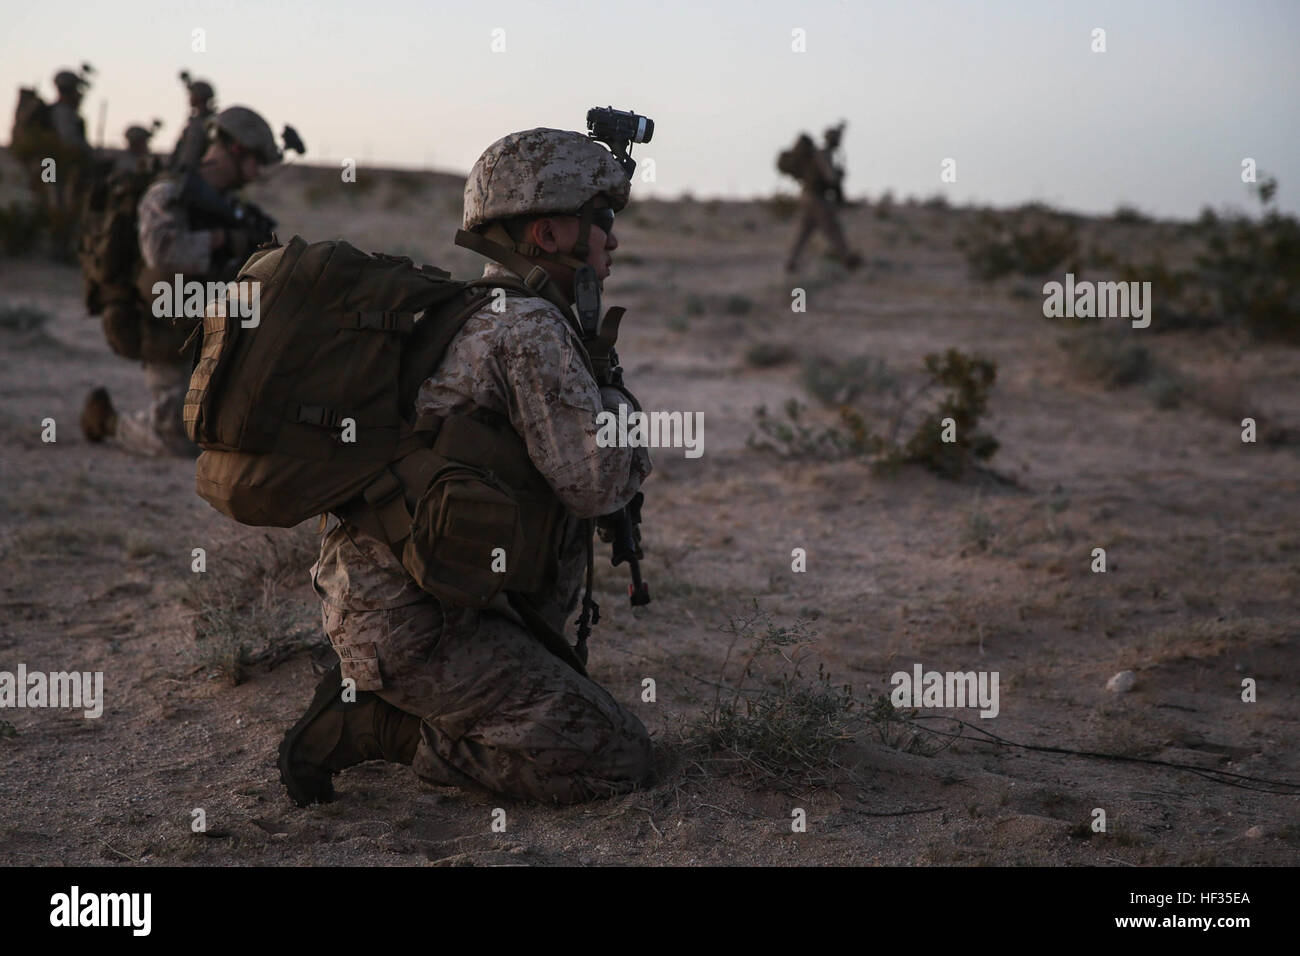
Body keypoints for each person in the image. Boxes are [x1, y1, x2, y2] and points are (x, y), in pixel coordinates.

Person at [279, 127, 655, 806]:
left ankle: (411, 688)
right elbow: (595, 482)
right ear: (548, 235)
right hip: (412, 626)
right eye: (603, 222)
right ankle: (380, 725)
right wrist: (618, 401)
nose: (614, 242)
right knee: (619, 761)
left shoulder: (486, 311)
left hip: (419, 606)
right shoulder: (529, 329)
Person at [80, 105, 281, 457]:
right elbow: (161, 251)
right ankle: (108, 421)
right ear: (236, 150)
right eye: (257, 160)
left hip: (212, 328)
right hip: (165, 327)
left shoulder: (228, 205)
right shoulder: (169, 193)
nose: (257, 172)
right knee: (179, 435)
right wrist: (221, 240)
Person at [785, 124, 861, 272]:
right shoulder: (823, 155)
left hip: (807, 196)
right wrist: (839, 176)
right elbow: (830, 178)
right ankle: (848, 259)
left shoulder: (820, 154)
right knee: (832, 228)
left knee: (804, 231)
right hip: (816, 197)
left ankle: (791, 261)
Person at [170, 75, 216, 174]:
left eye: (191, 94)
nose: (189, 97)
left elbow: (194, 153)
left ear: (199, 96)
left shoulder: (207, 122)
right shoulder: (194, 121)